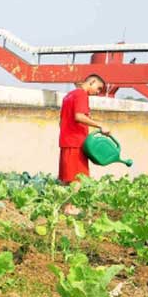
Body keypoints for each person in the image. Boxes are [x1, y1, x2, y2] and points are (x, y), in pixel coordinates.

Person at [59, 74, 109, 214]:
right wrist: (100, 125)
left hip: (66, 140)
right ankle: (70, 208)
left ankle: (65, 206)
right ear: (91, 82)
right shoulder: (81, 95)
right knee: (78, 178)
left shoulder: (69, 95)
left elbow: (62, 121)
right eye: (98, 88)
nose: (98, 92)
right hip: (76, 141)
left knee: (67, 177)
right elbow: (79, 116)